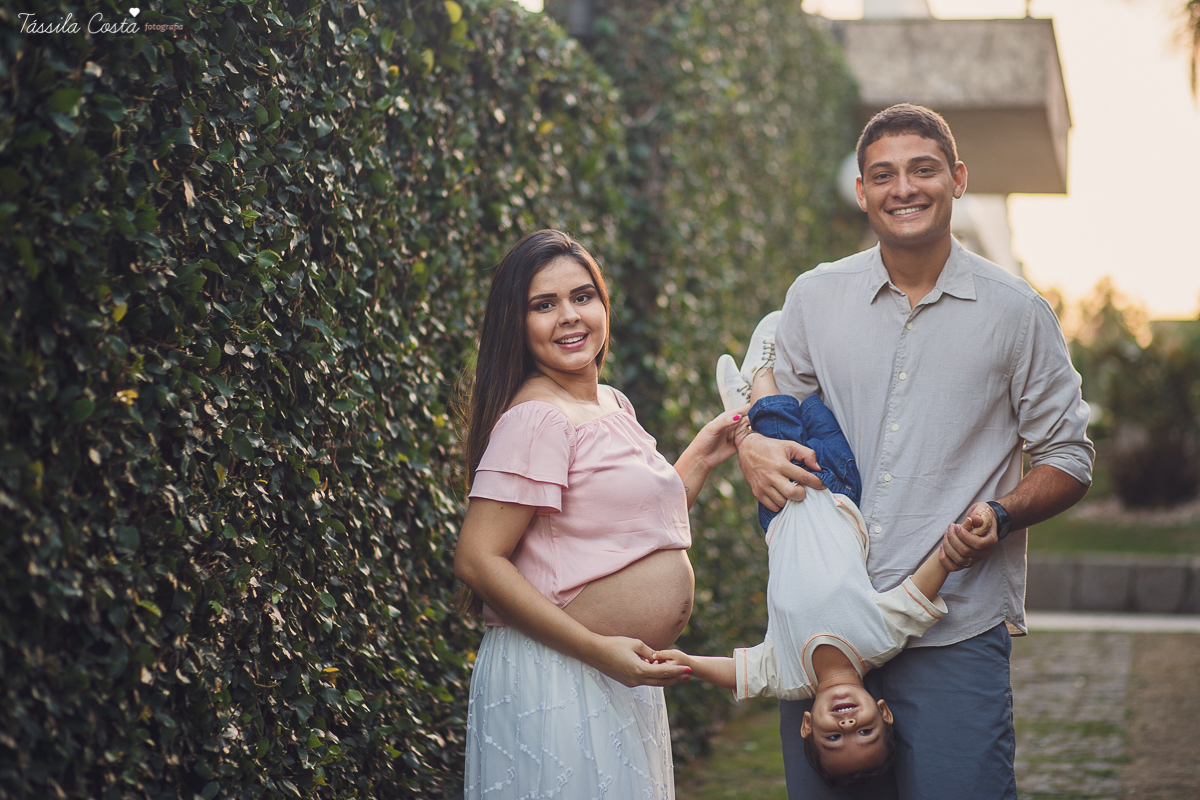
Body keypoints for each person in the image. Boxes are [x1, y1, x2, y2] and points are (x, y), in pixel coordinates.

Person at [736, 104, 1094, 799]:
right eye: (884, 174)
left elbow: (1070, 459)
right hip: (823, 635)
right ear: (864, 191)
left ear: (957, 179)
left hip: (953, 627)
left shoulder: (1017, 313)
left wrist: (1004, 513)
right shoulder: (814, 297)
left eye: (923, 169)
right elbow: (780, 415)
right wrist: (750, 443)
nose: (905, 187)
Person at [453, 230, 747, 800]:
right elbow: (477, 558)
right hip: (563, 668)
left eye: (582, 297)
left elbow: (626, 531)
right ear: (516, 324)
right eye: (544, 305)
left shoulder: (611, 403)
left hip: (614, 673)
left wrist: (702, 456)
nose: (569, 317)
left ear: (604, 306)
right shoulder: (537, 418)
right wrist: (598, 650)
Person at [656, 335, 965, 789]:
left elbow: (736, 674)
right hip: (837, 488)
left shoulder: (787, 674)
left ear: (807, 725)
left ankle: (758, 378)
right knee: (814, 405)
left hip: (780, 507)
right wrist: (953, 551)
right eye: (864, 730)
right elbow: (918, 595)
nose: (846, 724)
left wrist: (686, 662)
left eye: (832, 738)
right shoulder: (878, 641)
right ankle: (747, 413)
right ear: (882, 711)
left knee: (779, 420)